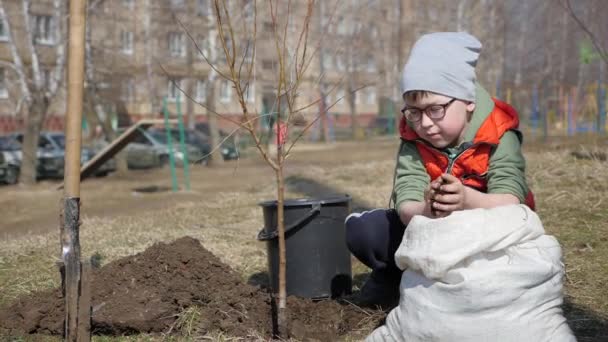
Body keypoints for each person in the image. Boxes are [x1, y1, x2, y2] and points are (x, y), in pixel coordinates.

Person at [346, 32, 535, 308]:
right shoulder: (414, 138)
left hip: (489, 239)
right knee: (365, 231)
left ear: (468, 100)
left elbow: (512, 202)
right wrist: (428, 210)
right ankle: (392, 278)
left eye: (435, 109)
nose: (425, 124)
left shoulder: (498, 133)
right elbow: (406, 198)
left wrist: (467, 200)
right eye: (413, 111)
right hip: (433, 229)